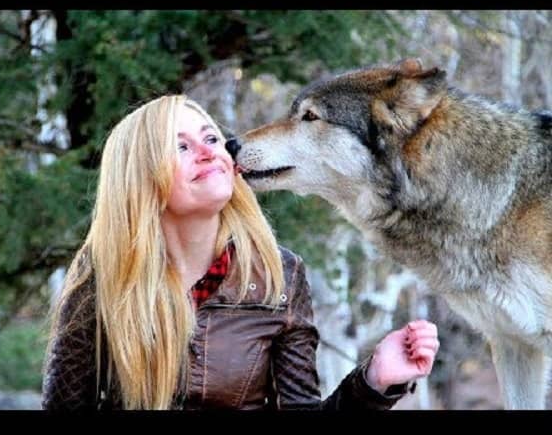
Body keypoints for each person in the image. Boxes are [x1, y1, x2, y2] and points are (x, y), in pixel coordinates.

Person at [42, 95, 439, 410]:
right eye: (180, 147)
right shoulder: (102, 275)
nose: (207, 151)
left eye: (211, 138)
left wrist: (374, 382)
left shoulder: (279, 274)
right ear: (141, 179)